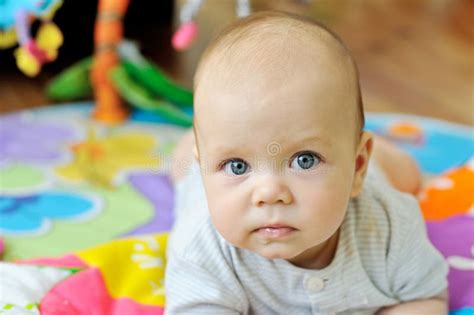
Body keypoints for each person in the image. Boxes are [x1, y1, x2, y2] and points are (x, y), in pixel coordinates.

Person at [165, 11, 448, 314]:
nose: (269, 193)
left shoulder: (392, 227)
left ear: (357, 166)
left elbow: (426, 299)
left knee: (402, 171)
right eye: (237, 165)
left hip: (370, 174)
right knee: (184, 158)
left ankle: (374, 154)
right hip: (198, 166)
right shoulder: (202, 247)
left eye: (304, 160)